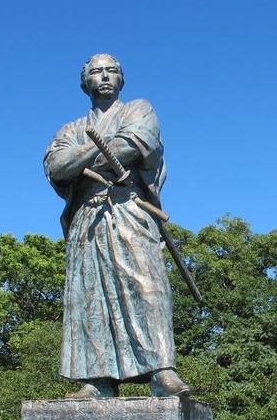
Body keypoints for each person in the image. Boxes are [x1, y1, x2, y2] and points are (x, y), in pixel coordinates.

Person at [43, 53, 189, 399]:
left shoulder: (139, 109)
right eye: (96, 71)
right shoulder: (70, 129)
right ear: (85, 82)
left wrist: (81, 157)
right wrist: (95, 155)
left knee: (147, 286)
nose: (104, 76)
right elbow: (55, 166)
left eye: (111, 71)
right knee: (89, 296)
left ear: (121, 79)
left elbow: (135, 144)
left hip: (129, 207)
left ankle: (161, 371)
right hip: (87, 218)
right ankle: (97, 379)